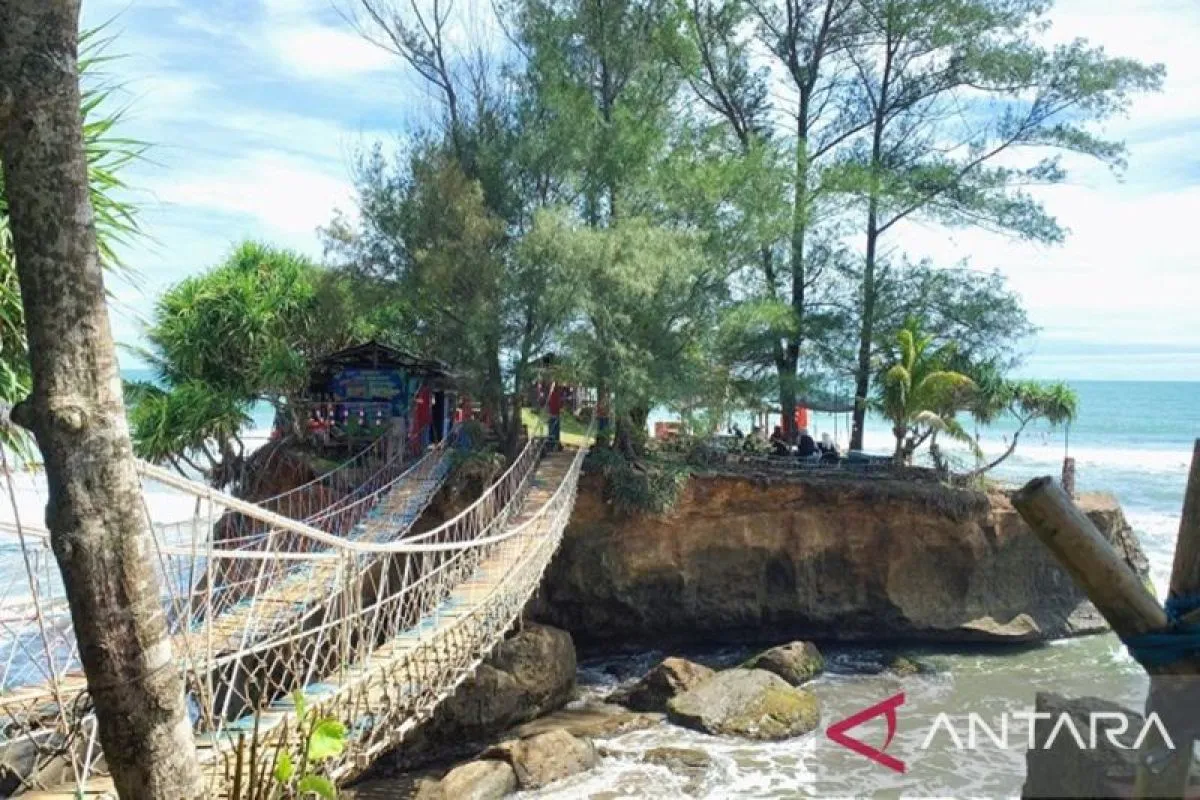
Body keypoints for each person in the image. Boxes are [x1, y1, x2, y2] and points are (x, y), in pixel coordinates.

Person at [547, 381, 564, 450]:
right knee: (555, 431)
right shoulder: (556, 395)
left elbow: (549, 404)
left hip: (552, 414)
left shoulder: (551, 395)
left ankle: (552, 444)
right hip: (555, 415)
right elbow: (558, 405)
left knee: (552, 430)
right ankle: (554, 444)